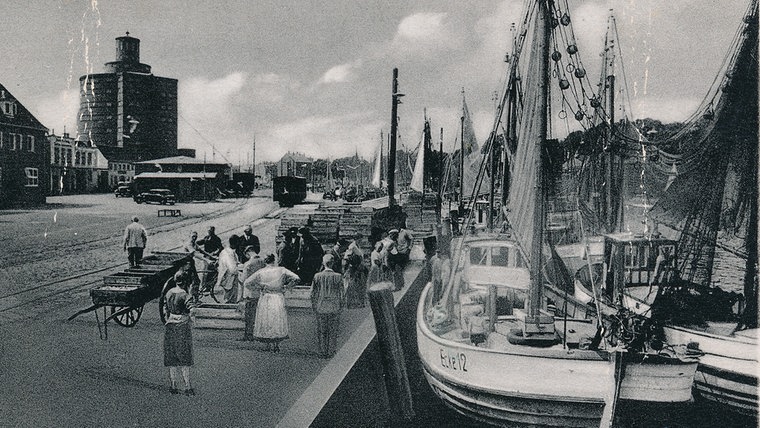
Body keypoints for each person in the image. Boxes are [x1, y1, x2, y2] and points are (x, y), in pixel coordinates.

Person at [248, 254, 300, 351]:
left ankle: (267, 345)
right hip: (277, 296)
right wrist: (287, 287)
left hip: (266, 297)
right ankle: (276, 345)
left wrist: (258, 287)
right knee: (276, 319)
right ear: (274, 260)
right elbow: (296, 278)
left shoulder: (261, 272)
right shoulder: (281, 270)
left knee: (267, 319)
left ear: (265, 261)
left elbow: (247, 282)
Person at [163, 270, 196, 395]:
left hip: (170, 326)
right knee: (184, 358)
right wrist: (191, 319)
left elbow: (165, 309)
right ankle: (187, 386)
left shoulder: (169, 292)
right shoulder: (185, 295)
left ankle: (173, 385)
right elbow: (192, 310)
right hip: (182, 327)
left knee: (172, 357)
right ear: (186, 282)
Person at [311, 254, 345, 357]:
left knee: (322, 331)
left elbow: (312, 293)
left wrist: (314, 305)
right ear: (333, 263)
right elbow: (342, 294)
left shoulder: (317, 276)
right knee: (333, 331)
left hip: (321, 306)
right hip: (334, 306)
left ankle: (323, 351)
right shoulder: (338, 276)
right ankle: (332, 351)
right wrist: (341, 306)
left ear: (323, 263)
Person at [240, 246, 267, 341]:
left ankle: (248, 335)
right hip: (260, 292)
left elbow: (243, 279)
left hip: (250, 293)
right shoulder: (263, 261)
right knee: (259, 314)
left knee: (249, 315)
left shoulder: (248, 264)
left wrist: (239, 275)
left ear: (248, 252)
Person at [216, 235, 241, 303]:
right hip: (229, 277)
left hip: (228, 276)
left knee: (230, 296)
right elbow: (232, 268)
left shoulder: (227, 251)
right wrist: (240, 269)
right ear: (235, 243)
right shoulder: (228, 253)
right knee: (230, 297)